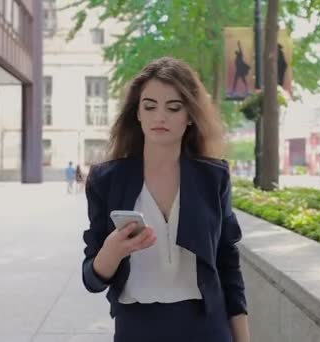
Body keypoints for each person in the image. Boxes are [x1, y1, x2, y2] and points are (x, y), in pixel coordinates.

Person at [81, 57, 250, 342]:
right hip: (137, 328)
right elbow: (91, 279)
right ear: (137, 113)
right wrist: (110, 253)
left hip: (207, 328)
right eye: (150, 106)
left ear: (190, 116)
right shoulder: (106, 180)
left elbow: (228, 265)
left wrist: (243, 339)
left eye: (173, 108)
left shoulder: (214, 177)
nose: (160, 117)